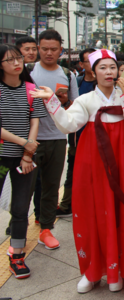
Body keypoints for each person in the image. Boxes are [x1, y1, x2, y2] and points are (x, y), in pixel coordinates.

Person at [30, 49, 124, 293]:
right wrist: (51, 100)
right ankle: (92, 271)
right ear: (93, 72)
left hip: (122, 160)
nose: (109, 72)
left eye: (112, 67)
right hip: (93, 159)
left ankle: (119, 269)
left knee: (122, 210)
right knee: (92, 210)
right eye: (102, 68)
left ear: (119, 71)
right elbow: (67, 125)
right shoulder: (86, 100)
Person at [29, 29, 79, 250]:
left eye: (54, 49)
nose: (49, 53)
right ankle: (18, 224)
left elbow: (75, 109)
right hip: (30, 139)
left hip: (58, 138)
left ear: (61, 50)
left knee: (51, 186)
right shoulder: (28, 72)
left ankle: (46, 228)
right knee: (26, 186)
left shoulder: (68, 75)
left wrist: (65, 101)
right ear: (38, 48)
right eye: (44, 49)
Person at [0, 45, 46, 279]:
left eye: (18, 58)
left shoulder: (31, 89)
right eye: (10, 60)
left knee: (20, 209)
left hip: (25, 158)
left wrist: (28, 153)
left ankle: (16, 256)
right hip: (3, 154)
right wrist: (24, 143)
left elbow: (35, 121)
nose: (17, 63)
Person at [55, 48, 97, 218]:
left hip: (99, 139)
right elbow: (70, 109)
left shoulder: (107, 85)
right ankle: (66, 205)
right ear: (81, 64)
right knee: (73, 172)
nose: (95, 65)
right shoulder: (77, 82)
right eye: (90, 61)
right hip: (77, 137)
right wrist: (63, 103)